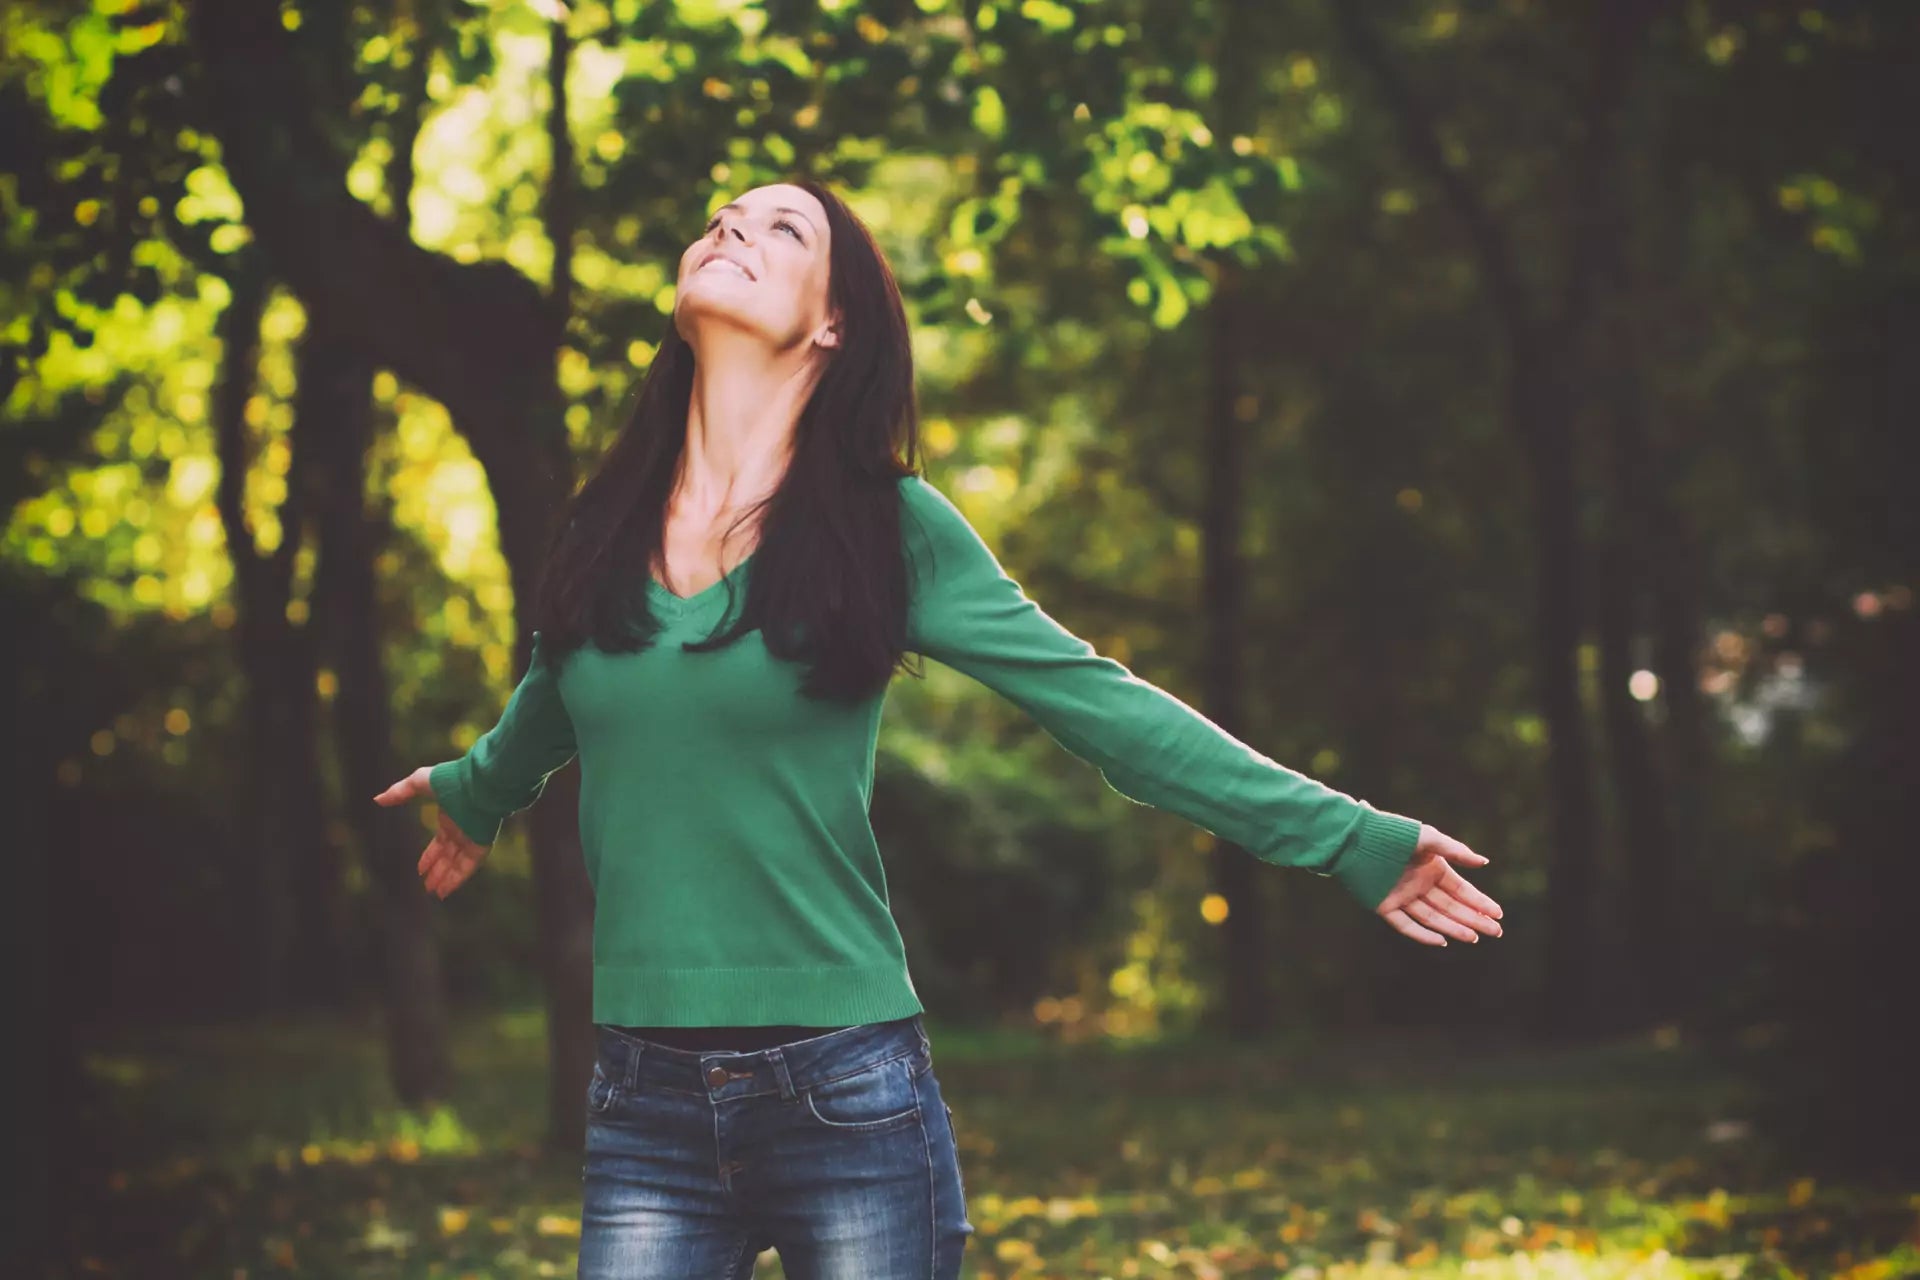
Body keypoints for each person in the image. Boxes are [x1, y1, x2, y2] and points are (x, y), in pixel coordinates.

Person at [374, 179, 1503, 1279]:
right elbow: (559, 684)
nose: (731, 228)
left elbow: (1102, 705)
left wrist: (1344, 834)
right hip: (641, 1101)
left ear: (832, 323)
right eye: (721, 218)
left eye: (779, 226)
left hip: (844, 1089)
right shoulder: (605, 520)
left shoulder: (888, 525)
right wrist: (478, 791)